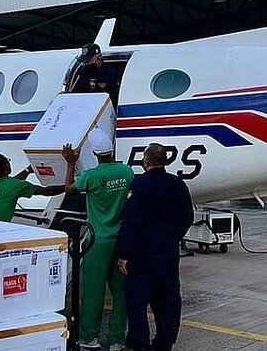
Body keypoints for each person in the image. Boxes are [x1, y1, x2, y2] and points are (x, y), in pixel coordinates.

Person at [117, 144, 194, 351]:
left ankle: (138, 343)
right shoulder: (178, 184)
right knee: (167, 302)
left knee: (137, 303)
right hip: (167, 254)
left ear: (146, 161)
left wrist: (123, 254)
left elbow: (130, 222)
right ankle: (164, 342)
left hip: (141, 256)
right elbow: (188, 217)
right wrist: (172, 238)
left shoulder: (139, 184)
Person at [62, 129, 133, 351]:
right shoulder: (127, 172)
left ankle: (89, 337)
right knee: (120, 291)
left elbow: (69, 188)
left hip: (97, 240)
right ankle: (117, 340)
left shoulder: (91, 176)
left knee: (93, 291)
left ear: (95, 153)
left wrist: (71, 163)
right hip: (121, 239)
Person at [0, 153, 64, 222]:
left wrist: (27, 170)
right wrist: (70, 187)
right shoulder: (15, 185)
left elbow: (9, 184)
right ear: (6, 165)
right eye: (8, 161)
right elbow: (47, 191)